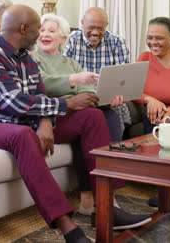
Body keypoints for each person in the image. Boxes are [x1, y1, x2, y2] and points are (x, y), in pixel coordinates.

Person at [0, 4, 151, 242]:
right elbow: (13, 102)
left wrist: (46, 122)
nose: (40, 35)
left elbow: (40, 95)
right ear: (23, 28)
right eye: (38, 29)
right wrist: (66, 105)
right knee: (22, 134)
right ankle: (67, 227)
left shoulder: (26, 59)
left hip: (25, 122)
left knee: (92, 116)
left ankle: (106, 207)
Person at [32, 13, 124, 216]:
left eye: (51, 31)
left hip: (75, 114)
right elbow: (41, 83)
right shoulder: (32, 58)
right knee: (92, 117)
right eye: (42, 30)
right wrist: (73, 83)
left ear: (63, 38)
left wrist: (89, 96)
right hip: (53, 115)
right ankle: (107, 198)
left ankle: (90, 200)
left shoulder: (70, 62)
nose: (45, 34)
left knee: (105, 116)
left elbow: (89, 90)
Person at [136, 16, 170, 211]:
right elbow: (131, 88)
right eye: (150, 37)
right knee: (158, 123)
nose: (153, 42)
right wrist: (149, 99)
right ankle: (166, 190)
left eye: (159, 38)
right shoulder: (145, 58)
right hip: (154, 115)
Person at [63, 7, 131, 129]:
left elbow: (123, 79)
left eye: (100, 28)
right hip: (79, 98)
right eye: (91, 27)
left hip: (109, 101)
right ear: (82, 23)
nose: (95, 32)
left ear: (106, 25)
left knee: (112, 119)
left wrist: (120, 94)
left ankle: (111, 148)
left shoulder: (117, 42)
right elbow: (63, 76)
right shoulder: (70, 40)